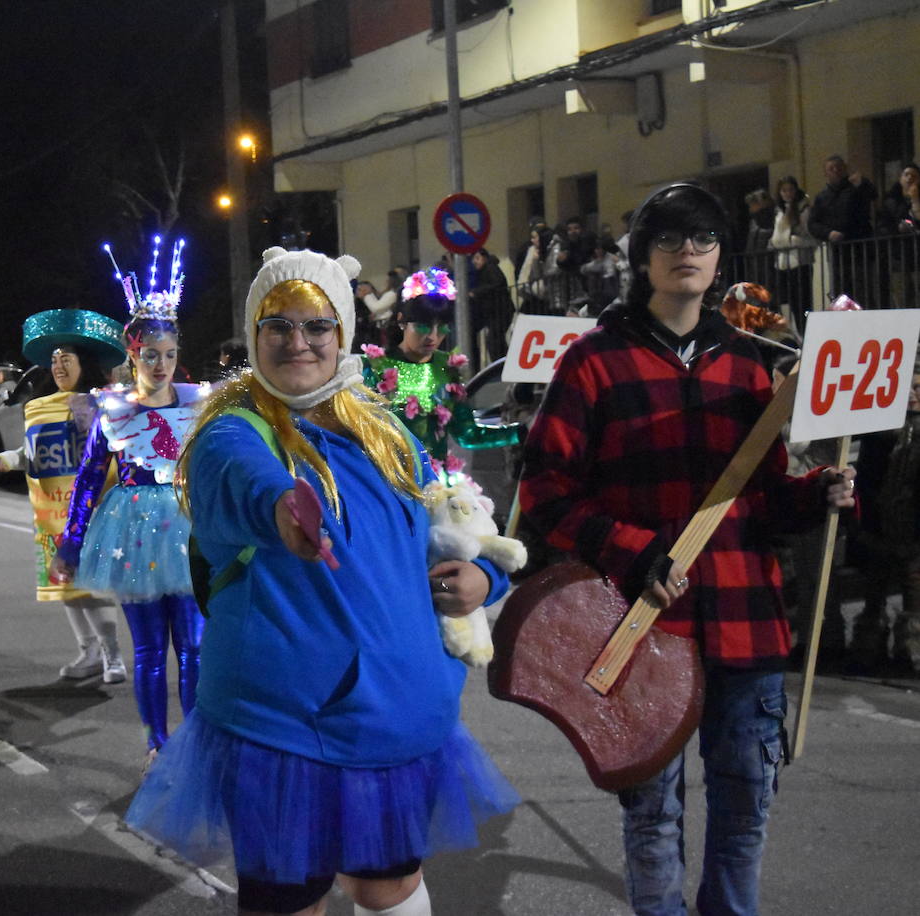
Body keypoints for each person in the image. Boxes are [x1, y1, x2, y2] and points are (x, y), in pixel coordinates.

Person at [126, 246, 519, 916]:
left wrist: (484, 578)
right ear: (255, 335)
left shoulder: (385, 429)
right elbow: (243, 479)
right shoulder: (232, 429)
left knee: (388, 887)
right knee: (292, 902)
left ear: (342, 334)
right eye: (278, 325)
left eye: (317, 326)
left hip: (397, 716)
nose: (297, 342)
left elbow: (455, 517)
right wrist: (283, 508)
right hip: (286, 729)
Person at [520, 183, 858, 916]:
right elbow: (545, 491)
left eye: (703, 240)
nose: (688, 254)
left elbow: (761, 499)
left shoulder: (748, 366)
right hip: (642, 626)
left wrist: (818, 493)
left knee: (746, 808)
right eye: (670, 240)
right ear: (643, 256)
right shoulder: (593, 362)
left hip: (745, 622)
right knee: (653, 816)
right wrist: (634, 552)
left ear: (719, 256)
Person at [50, 246, 207, 761]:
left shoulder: (198, 406)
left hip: (187, 531)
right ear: (132, 356)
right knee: (148, 651)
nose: (160, 365)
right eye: (149, 355)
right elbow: (90, 479)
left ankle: (196, 742)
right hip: (134, 534)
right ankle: (157, 745)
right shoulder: (113, 413)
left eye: (168, 355)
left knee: (195, 647)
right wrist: (70, 544)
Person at [0, 308, 128, 683]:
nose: (58, 367)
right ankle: (87, 651)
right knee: (66, 586)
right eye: (53, 361)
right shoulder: (37, 409)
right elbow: (28, 456)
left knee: (92, 585)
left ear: (84, 363)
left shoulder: (103, 404)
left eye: (66, 359)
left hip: (91, 512)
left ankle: (113, 655)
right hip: (50, 515)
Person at [361, 267, 520, 465]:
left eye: (442, 326)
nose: (433, 337)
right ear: (401, 321)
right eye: (423, 325)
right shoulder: (373, 366)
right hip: (385, 485)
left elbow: (467, 434)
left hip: (436, 487)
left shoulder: (446, 368)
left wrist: (522, 432)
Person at [849, 361, 920, 675]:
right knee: (874, 594)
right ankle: (868, 649)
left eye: (918, 388)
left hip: (913, 530)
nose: (912, 395)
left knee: (914, 596)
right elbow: (866, 478)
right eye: (908, 388)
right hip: (879, 525)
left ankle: (910, 653)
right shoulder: (879, 431)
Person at [809, 155, 879, 304]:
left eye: (839, 167)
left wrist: (863, 182)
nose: (835, 171)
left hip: (860, 248)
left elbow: (873, 195)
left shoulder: (856, 189)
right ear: (825, 173)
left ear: (845, 169)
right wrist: (828, 233)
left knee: (863, 290)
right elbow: (813, 224)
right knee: (842, 293)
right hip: (838, 253)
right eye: (831, 168)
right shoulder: (822, 197)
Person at [770, 175, 816, 332]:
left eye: (790, 190)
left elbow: (807, 235)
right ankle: (796, 336)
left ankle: (807, 334)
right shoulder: (778, 211)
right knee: (787, 304)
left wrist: (790, 240)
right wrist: (781, 241)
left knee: (802, 302)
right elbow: (776, 239)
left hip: (800, 262)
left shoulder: (803, 208)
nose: (787, 193)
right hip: (783, 264)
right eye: (784, 190)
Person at [880, 161, 920, 310]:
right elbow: (882, 225)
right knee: (901, 298)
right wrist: (897, 229)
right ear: (900, 178)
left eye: (914, 176)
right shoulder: (891, 201)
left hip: (917, 256)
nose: (909, 178)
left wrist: (915, 200)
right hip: (898, 255)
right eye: (906, 174)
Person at [467, 247, 513, 363]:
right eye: (474, 259)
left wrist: (477, 292)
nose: (475, 261)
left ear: (484, 258)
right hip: (497, 311)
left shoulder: (490, 268)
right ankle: (504, 364)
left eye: (477, 258)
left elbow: (497, 283)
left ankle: (502, 365)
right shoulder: (485, 271)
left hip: (500, 310)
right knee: (496, 340)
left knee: (494, 340)